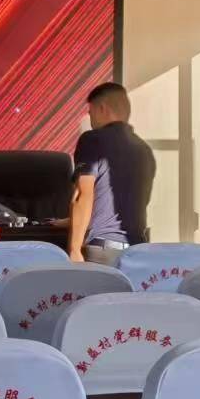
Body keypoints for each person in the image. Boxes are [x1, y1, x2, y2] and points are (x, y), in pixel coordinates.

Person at [68, 82, 157, 264]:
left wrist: (74, 249)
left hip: (102, 252)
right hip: (137, 252)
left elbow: (83, 195)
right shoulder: (144, 149)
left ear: (102, 109)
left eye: (90, 113)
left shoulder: (92, 140)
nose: (90, 119)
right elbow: (132, 204)